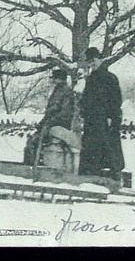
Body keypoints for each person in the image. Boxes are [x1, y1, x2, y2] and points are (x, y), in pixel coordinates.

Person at [77, 47, 125, 180]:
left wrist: (111, 116)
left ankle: (114, 175)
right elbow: (87, 98)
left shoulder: (110, 78)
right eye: (89, 61)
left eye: (93, 60)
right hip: (92, 120)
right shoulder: (91, 78)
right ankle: (91, 175)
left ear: (99, 60)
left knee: (108, 148)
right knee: (91, 148)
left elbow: (116, 100)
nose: (91, 64)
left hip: (105, 120)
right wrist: (83, 109)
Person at [23, 69, 75, 164]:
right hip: (52, 123)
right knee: (33, 139)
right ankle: (35, 162)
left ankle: (33, 166)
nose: (53, 81)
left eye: (54, 78)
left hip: (59, 125)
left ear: (59, 79)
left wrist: (50, 122)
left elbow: (65, 113)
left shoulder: (66, 92)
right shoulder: (58, 90)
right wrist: (41, 123)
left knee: (35, 141)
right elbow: (50, 112)